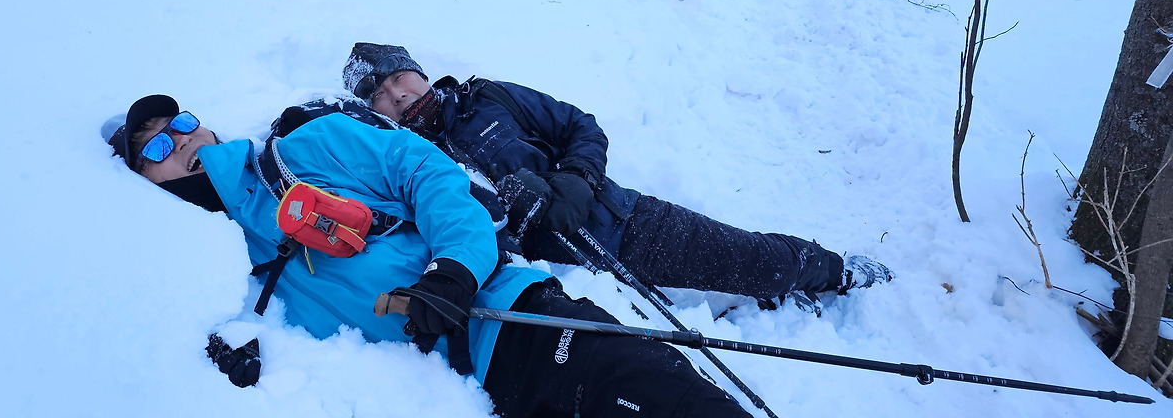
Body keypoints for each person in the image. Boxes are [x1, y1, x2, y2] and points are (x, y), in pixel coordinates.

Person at [103, 94, 750, 416]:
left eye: (179, 125)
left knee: (659, 398)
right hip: (448, 399)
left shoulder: (305, 149)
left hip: (513, 322)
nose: (177, 143)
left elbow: (428, 174)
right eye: (153, 149)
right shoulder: (200, 269)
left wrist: (456, 268)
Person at [342, 43, 894, 314]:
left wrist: (576, 181)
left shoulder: (488, 98)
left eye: (397, 78)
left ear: (415, 69)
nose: (398, 96)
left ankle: (835, 271)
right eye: (381, 97)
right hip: (564, 283)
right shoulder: (409, 163)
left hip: (623, 222)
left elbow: (580, 126)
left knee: (755, 260)